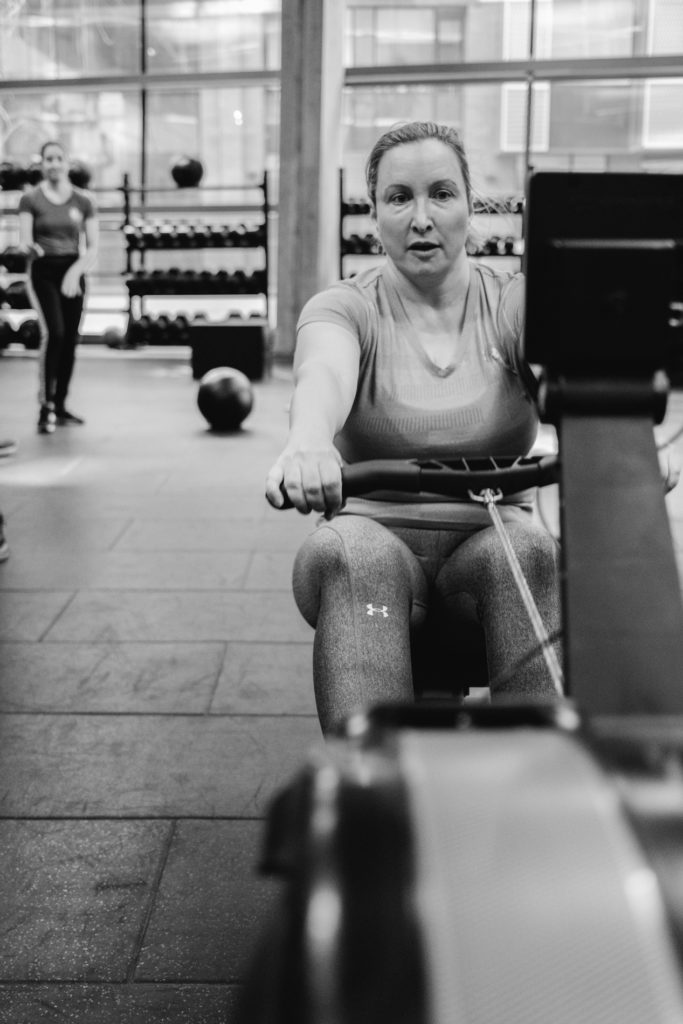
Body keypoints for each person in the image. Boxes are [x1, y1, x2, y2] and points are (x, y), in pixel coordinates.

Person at [265, 120, 565, 735]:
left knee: (531, 553)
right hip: (374, 537)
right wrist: (308, 441)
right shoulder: (345, 305)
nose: (421, 217)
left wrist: (611, 431)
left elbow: (559, 372)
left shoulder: (512, 302)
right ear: (374, 213)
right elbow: (322, 375)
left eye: (441, 194)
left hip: (494, 542)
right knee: (352, 557)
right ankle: (373, 799)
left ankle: (543, 797)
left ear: (469, 206)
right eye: (399, 197)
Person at [18, 140, 99, 434]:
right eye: (48, 159)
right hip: (43, 272)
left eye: (58, 158)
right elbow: (25, 239)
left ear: (67, 163)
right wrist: (28, 249)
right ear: (42, 164)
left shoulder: (84, 201)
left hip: (72, 271)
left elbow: (92, 249)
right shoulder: (30, 199)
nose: (53, 164)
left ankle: (62, 404)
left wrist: (74, 272)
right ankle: (46, 405)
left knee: (71, 339)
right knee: (55, 333)